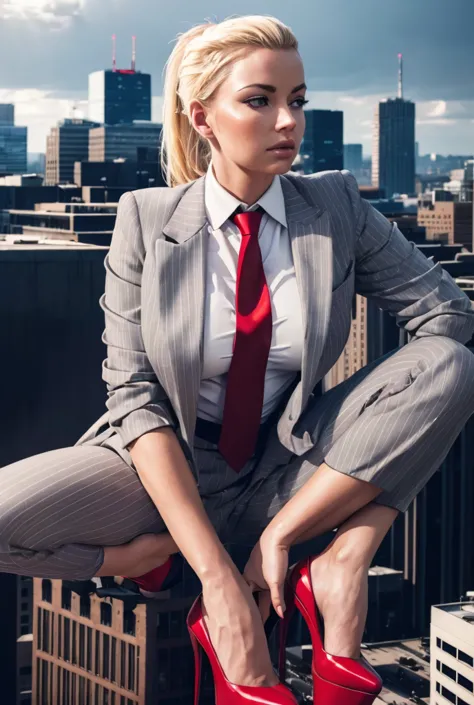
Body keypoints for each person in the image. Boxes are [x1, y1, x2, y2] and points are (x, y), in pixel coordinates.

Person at [2, 13, 474, 705]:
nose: (289, 121)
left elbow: (449, 318)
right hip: (162, 477)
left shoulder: (336, 206)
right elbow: (136, 399)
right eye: (260, 100)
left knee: (452, 363)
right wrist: (210, 578)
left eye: (299, 100)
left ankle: (327, 562)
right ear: (203, 116)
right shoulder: (145, 217)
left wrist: (341, 535)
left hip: (292, 469)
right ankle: (162, 564)